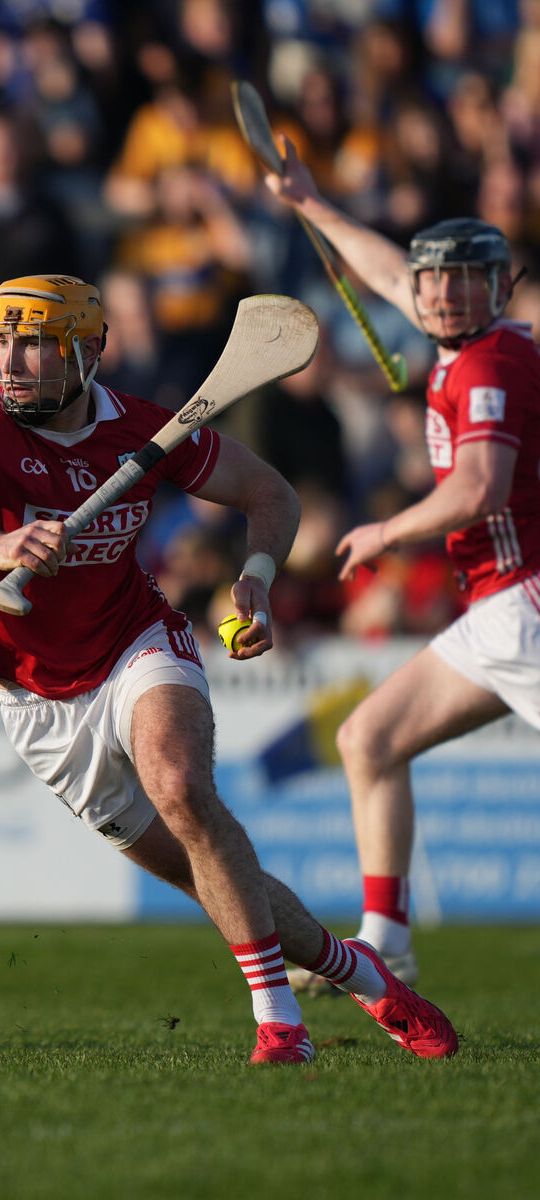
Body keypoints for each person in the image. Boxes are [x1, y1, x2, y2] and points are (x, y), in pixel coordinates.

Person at [0, 273, 458, 1063]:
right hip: (37, 697)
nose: (10, 362)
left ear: (85, 353)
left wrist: (254, 576)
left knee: (183, 790)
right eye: (1, 342)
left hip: (136, 643)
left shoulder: (146, 430)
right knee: (203, 872)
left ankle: (279, 1025)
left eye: (34, 345)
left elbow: (270, 493)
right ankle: (361, 972)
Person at [264, 139, 540, 994]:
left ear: (499, 288)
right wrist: (312, 203)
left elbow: (479, 486)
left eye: (467, 280)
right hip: (497, 612)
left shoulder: (491, 360)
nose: (445, 292)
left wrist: (388, 532)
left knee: (369, 738)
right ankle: (386, 939)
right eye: (436, 280)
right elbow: (386, 272)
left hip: (525, 605)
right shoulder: (460, 335)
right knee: (369, 738)